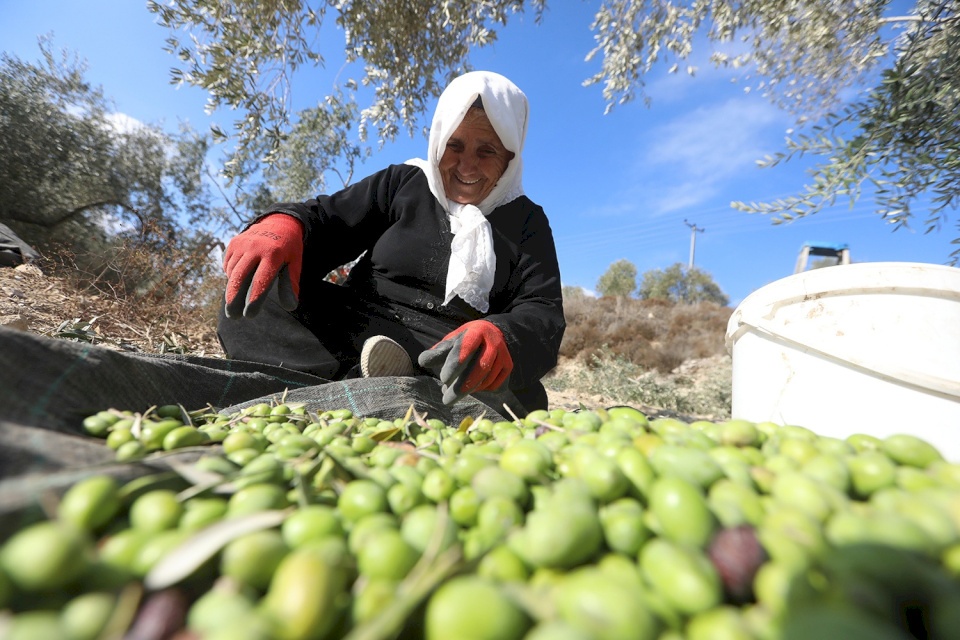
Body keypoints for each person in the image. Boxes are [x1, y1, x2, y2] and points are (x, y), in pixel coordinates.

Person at [217, 71, 564, 415]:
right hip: (358, 331)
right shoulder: (405, 182)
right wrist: (284, 224)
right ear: (439, 140)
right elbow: (329, 220)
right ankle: (396, 390)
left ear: (510, 157)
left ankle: (372, 388)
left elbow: (542, 311)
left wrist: (500, 334)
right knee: (256, 298)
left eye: (487, 151)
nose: (467, 165)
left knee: (514, 393)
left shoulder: (527, 221)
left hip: (446, 354)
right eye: (454, 146)